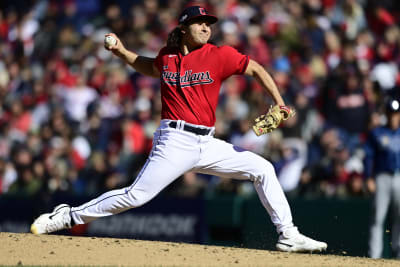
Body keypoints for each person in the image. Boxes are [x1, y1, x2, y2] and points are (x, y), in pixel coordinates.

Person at [31, 6, 327, 253]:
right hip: (174, 141)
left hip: (207, 143)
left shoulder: (219, 55)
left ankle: (288, 233)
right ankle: (68, 216)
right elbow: (149, 67)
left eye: (209, 23)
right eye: (199, 22)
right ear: (184, 27)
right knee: (136, 196)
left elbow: (256, 69)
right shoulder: (167, 56)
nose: (206, 27)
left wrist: (279, 103)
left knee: (263, 168)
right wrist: (121, 51)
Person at [365, 98, 400, 258]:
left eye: (396, 114)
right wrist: (368, 178)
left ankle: (398, 254)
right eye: (391, 113)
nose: (394, 117)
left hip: (398, 176)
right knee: (378, 218)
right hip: (382, 177)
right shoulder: (377, 133)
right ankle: (375, 256)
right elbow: (369, 157)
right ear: (386, 114)